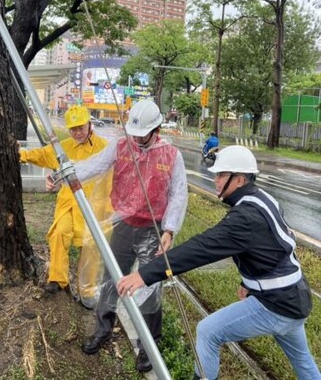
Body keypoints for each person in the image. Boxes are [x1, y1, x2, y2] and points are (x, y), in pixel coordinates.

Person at [117, 145, 321, 380]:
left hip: (277, 305)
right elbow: (277, 247)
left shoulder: (243, 218)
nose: (215, 180)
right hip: (296, 296)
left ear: (239, 180)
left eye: (222, 175)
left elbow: (200, 249)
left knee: (208, 331)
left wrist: (144, 274)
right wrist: (253, 285)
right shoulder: (263, 199)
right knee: (303, 362)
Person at [47, 99, 188, 372]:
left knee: (150, 288)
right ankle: (103, 330)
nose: (136, 138)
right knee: (112, 279)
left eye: (142, 134)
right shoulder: (122, 145)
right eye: (133, 132)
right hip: (123, 226)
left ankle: (150, 346)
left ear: (155, 129)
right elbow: (94, 165)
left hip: (153, 228)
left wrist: (170, 229)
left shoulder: (171, 155)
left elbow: (178, 194)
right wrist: (63, 175)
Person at [20, 105, 109, 296]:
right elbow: (42, 154)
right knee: (59, 233)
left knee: (92, 247)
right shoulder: (64, 148)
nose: (77, 133)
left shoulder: (104, 148)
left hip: (93, 207)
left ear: (89, 124)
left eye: (80, 128)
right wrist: (21, 154)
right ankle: (58, 280)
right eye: (73, 129)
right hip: (68, 205)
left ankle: (88, 290)